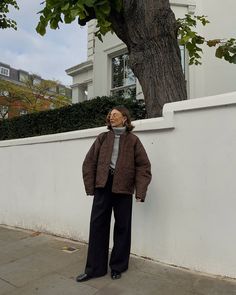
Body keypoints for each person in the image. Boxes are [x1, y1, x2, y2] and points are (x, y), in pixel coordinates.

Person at [76, 106, 152, 282]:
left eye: (115, 115)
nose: (111, 117)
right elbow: (89, 162)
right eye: (110, 115)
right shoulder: (102, 138)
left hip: (123, 188)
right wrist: (91, 186)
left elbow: (143, 166)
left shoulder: (133, 140)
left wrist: (140, 191)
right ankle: (94, 268)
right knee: (97, 226)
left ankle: (118, 266)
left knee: (123, 228)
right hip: (103, 185)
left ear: (125, 118)